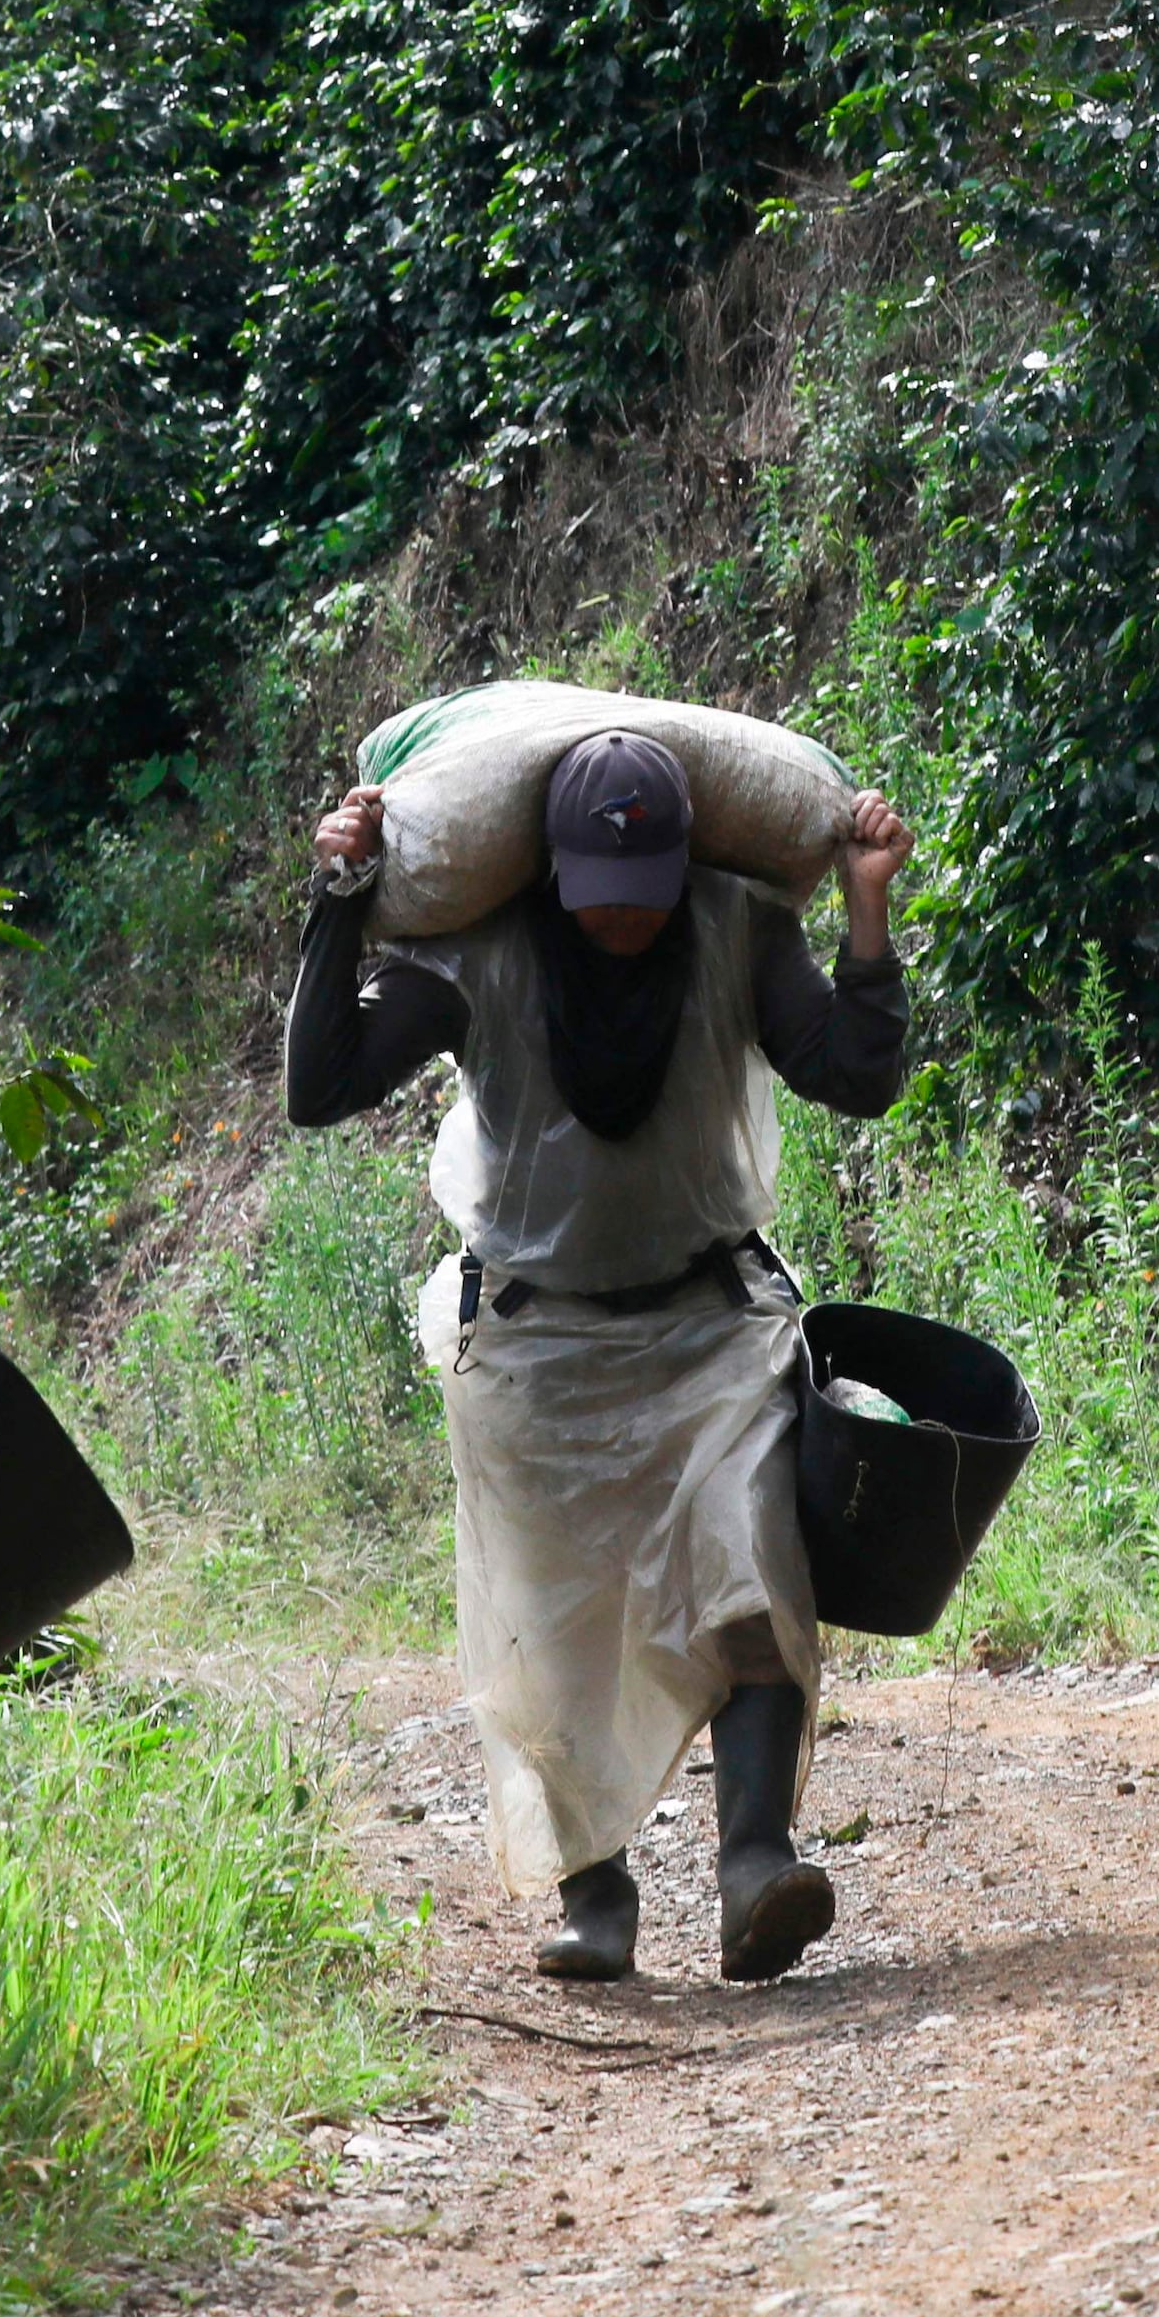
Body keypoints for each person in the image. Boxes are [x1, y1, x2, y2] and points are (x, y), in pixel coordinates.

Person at [282, 733, 917, 1983]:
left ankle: (754, 1863)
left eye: (645, 895)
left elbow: (857, 1074)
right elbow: (319, 1084)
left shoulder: (737, 930)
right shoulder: (478, 952)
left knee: (750, 1574)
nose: (621, 921)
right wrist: (338, 897)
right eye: (595, 897)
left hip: (711, 1330)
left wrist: (864, 910)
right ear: (552, 873)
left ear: (686, 869)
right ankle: (596, 1898)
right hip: (535, 1345)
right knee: (552, 1636)